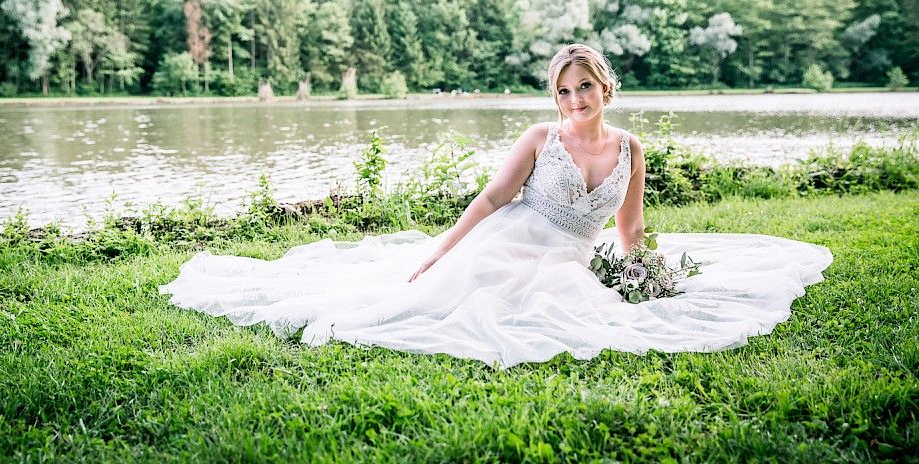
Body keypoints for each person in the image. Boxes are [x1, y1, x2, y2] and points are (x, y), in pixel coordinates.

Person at [160, 44, 832, 369]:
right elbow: (489, 198)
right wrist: (439, 251)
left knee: (569, 303)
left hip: (570, 256)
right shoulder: (541, 138)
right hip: (512, 238)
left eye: (585, 87)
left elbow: (630, 230)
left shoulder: (632, 148)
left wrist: (644, 277)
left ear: (607, 87)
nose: (575, 100)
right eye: (564, 90)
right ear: (556, 96)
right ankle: (434, 272)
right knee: (473, 295)